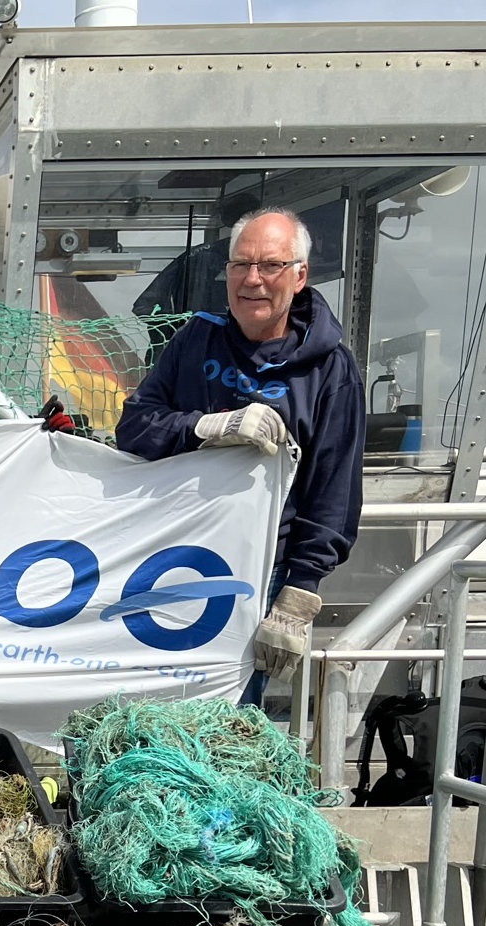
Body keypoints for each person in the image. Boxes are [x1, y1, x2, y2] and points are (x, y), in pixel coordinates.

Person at [115, 207, 364, 703]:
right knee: (142, 708)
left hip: (258, 575)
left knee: (224, 720)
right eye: (240, 265)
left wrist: (298, 595)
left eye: (270, 265)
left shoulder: (331, 371)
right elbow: (133, 427)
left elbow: (332, 492)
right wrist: (206, 426)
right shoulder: (194, 339)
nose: (253, 279)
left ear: (299, 276)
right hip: (170, 553)